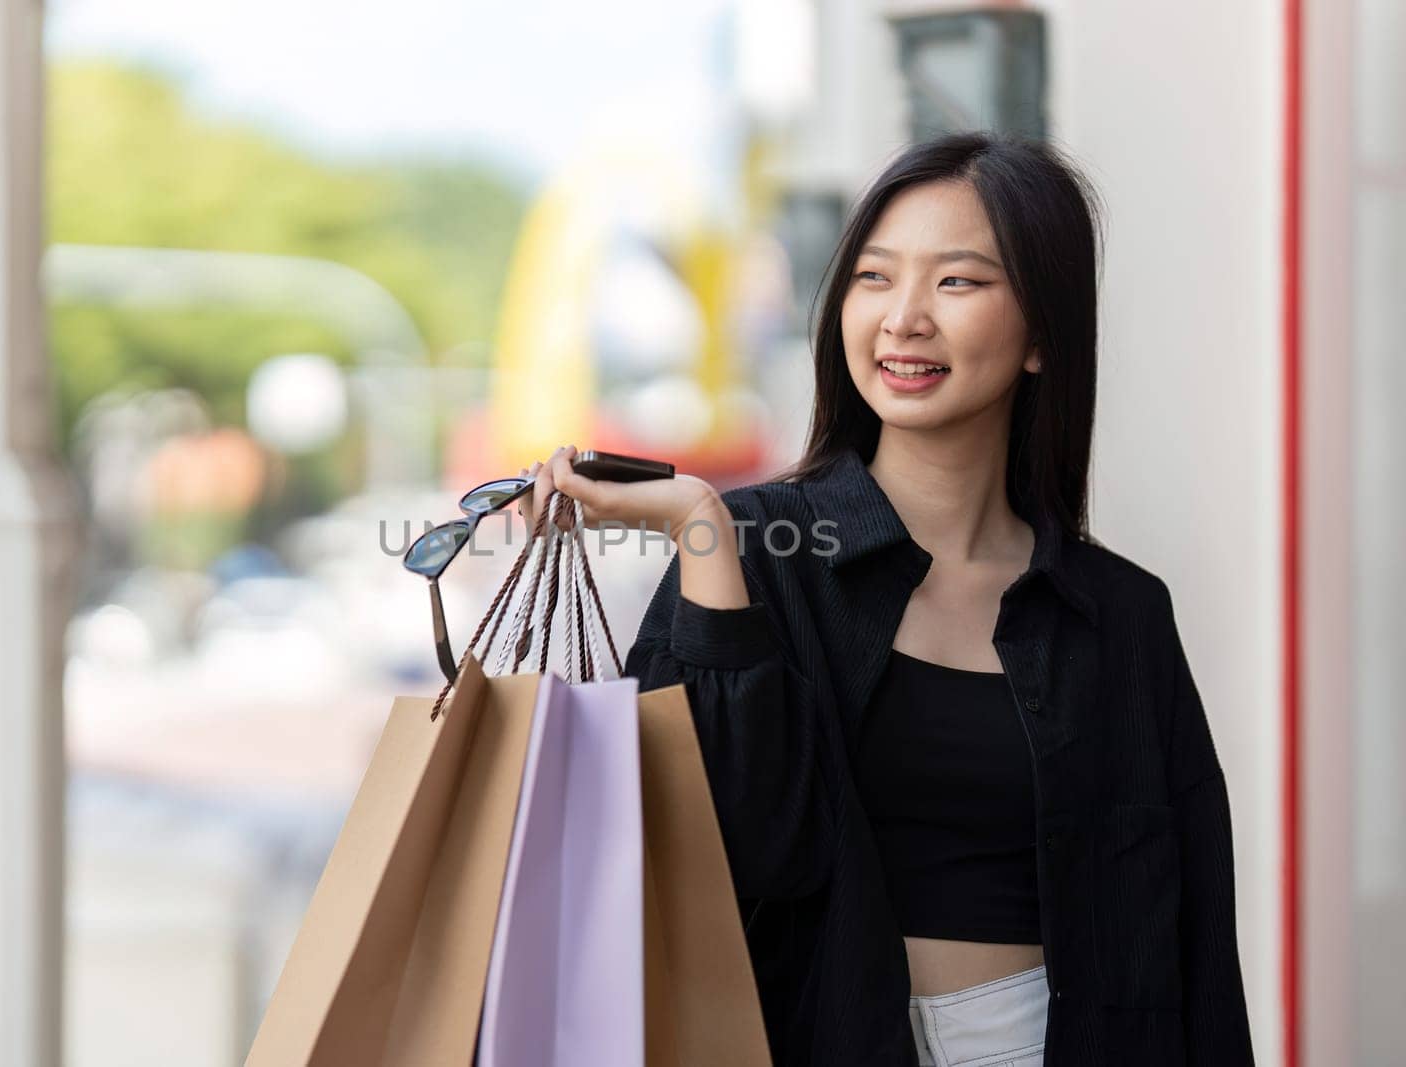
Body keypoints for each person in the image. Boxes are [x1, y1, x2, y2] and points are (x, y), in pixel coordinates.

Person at [516, 131, 1254, 1066]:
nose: (903, 318)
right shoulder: (753, 551)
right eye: (874, 277)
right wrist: (703, 535)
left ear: (1041, 337)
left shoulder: (1119, 615)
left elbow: (1191, 934)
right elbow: (721, 857)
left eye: (958, 282)